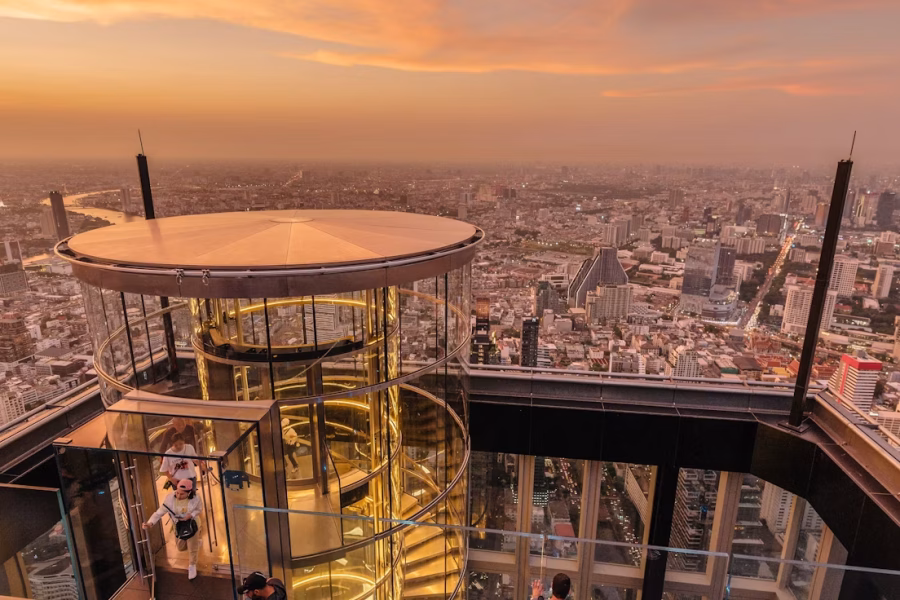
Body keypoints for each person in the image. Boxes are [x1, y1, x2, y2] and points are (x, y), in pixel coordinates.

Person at [143, 479, 204, 580]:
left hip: (192, 525)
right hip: (179, 526)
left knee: (192, 549)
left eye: (182, 494)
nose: (179, 496)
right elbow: (159, 512)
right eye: (177, 493)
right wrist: (150, 523)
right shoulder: (170, 498)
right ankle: (197, 543)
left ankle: (192, 566)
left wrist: (191, 515)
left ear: (189, 493)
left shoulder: (196, 498)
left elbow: (199, 509)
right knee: (181, 547)